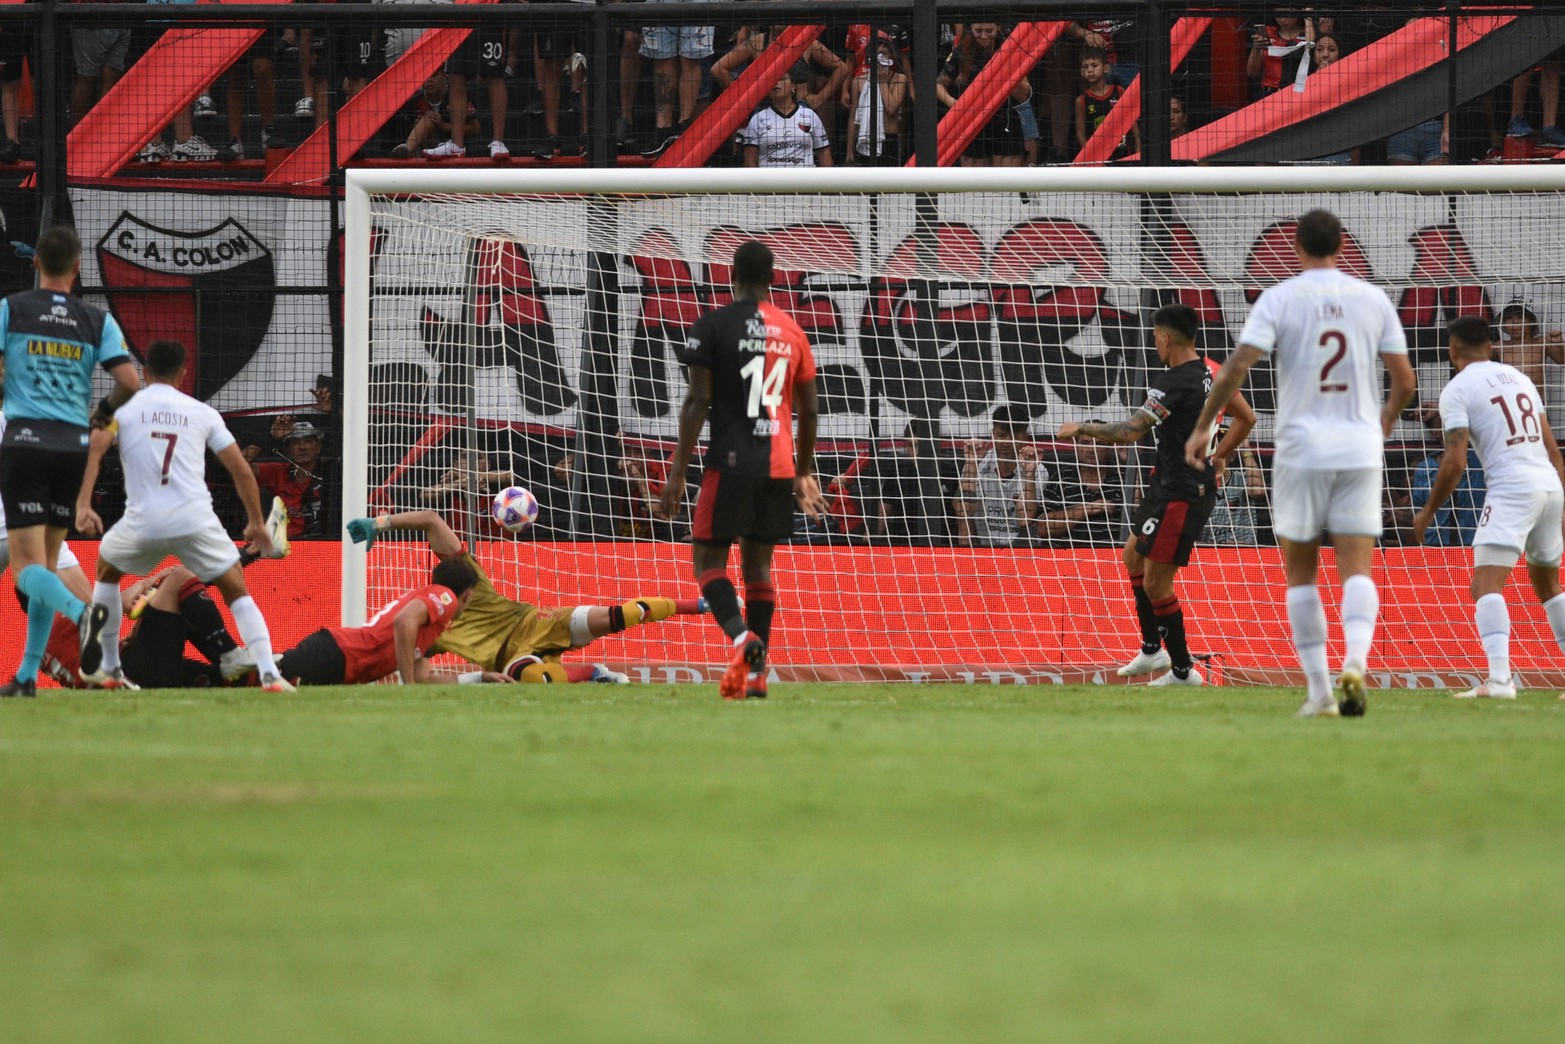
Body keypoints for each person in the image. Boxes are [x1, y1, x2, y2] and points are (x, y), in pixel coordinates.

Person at [1185, 209, 1417, 717]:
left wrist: (1204, 426)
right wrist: (1384, 423)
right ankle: (1355, 661)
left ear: (1296, 246)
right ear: (1341, 244)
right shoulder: (1371, 299)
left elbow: (1235, 369)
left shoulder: (1279, 298)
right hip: (1358, 447)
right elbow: (1405, 382)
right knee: (1357, 569)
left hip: (1301, 449)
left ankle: (1319, 693)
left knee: (1301, 574)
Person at [655, 240, 825, 700]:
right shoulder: (792, 331)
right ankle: (756, 673)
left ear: (731, 275)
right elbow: (809, 413)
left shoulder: (712, 325)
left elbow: (697, 401)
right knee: (759, 566)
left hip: (728, 460)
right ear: (773, 279)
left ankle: (743, 640)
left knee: (707, 562)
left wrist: (676, 473)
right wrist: (803, 471)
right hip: (777, 465)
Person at [74, 339, 292, 692]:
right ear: (184, 374)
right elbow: (240, 470)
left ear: (144, 372)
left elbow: (94, 451)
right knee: (236, 588)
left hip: (143, 520)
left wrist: (83, 505)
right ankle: (268, 672)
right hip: (194, 519)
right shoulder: (203, 413)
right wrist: (254, 520)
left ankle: (111, 667)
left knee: (106, 572)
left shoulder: (123, 411)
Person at [1059, 304, 1256, 686]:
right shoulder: (1214, 371)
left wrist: (1080, 427)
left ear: (1165, 337)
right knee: (1133, 554)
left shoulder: (1172, 383)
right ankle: (1152, 649)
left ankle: (1183, 671)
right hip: (1167, 486)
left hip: (1182, 493)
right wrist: (1221, 456)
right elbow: (1246, 418)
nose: (1154, 343)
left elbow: (1130, 432)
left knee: (1156, 584)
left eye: (1154, 336)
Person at [0, 225, 141, 698]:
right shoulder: (95, 320)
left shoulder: (12, 309)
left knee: (26, 569)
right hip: (72, 447)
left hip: (26, 442)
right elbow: (129, 381)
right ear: (78, 268)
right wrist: (101, 415)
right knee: (49, 556)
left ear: (36, 262)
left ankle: (85, 615)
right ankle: (24, 676)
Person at [347, 509, 705, 682]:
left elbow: (433, 521)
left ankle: (699, 605)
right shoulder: (431, 627)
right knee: (530, 680)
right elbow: (418, 667)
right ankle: (594, 674)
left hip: (536, 622)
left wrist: (380, 523)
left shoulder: (473, 582)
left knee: (620, 615)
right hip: (511, 659)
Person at [1411, 316, 1565, 698]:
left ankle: (1499, 680)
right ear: (1491, 346)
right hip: (1548, 484)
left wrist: (1429, 510)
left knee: (1485, 584)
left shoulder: (1457, 389)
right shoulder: (1520, 379)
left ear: (1453, 350)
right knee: (1549, 586)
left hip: (1512, 488)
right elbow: (1552, 449)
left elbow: (1455, 462)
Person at [277, 557, 502, 685]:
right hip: (337, 653)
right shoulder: (446, 598)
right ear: (468, 596)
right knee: (255, 677)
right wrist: (408, 685)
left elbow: (423, 678)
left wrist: (479, 677)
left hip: (338, 660)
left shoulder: (429, 622)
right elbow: (403, 621)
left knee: (263, 680)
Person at [953, 403, 1047, 548]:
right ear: (992, 435)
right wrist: (971, 464)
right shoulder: (979, 463)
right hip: (985, 549)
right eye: (1001, 436)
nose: (1006, 443)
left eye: (1014, 437)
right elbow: (962, 511)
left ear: (1025, 438)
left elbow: (1025, 519)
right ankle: (966, 561)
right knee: (963, 520)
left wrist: (1029, 473)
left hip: (1023, 549)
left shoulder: (1037, 469)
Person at [937, 23, 1031, 167]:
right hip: (972, 123)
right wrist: (954, 103)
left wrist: (1005, 71)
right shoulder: (963, 50)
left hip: (1005, 123)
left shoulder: (1010, 47)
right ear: (971, 29)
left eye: (989, 31)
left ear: (998, 27)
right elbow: (938, 86)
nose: (984, 35)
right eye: (978, 31)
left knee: (1006, 185)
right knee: (973, 186)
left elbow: (1024, 95)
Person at [247, 419, 330, 538]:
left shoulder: (331, 471)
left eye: (308, 441)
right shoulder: (277, 471)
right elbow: (238, 465)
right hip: (286, 546)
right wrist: (270, 437)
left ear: (318, 447)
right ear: (288, 450)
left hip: (324, 544)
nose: (302, 447)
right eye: (296, 443)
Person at [740, 66, 833, 168]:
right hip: (769, 182)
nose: (776, 83)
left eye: (782, 79)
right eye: (772, 80)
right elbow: (750, 160)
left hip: (805, 181)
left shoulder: (810, 115)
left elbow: (824, 152)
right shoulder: (758, 119)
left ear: (793, 86)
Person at [843, 36, 910, 166]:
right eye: (877, 54)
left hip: (889, 140)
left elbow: (891, 109)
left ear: (891, 57)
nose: (880, 58)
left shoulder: (900, 79)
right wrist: (849, 152)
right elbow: (853, 118)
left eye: (884, 53)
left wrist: (883, 81)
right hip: (867, 138)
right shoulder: (858, 82)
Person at [1409, 446, 1485, 546]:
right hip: (1436, 547)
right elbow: (1417, 512)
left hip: (1472, 545)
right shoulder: (1424, 469)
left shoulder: (1479, 461)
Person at [1075, 47, 1137, 159]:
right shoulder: (1082, 100)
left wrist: (1138, 154)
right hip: (1098, 157)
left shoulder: (1119, 91)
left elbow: (1134, 127)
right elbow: (1080, 134)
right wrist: (1090, 156)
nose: (1089, 70)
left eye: (1094, 66)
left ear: (1106, 68)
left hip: (1123, 154)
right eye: (1085, 67)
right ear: (1081, 73)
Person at [1495, 301, 1563, 391]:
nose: (1514, 323)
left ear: (1531, 321)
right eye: (1508, 318)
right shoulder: (1498, 346)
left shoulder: (1541, 342)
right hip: (1508, 402)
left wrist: (1561, 344)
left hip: (1536, 402)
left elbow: (1562, 360)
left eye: (1520, 317)